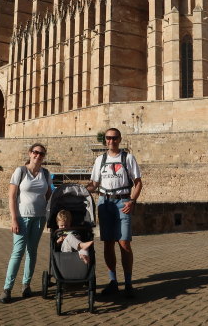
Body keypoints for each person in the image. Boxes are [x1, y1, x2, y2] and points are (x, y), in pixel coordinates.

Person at [87, 127, 142, 298]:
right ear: (105, 140)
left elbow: (138, 182)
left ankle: (128, 282)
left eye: (114, 138)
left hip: (123, 202)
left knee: (124, 243)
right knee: (108, 243)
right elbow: (94, 184)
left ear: (120, 139)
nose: (111, 141)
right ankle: (112, 282)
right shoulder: (100, 160)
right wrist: (80, 191)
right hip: (105, 203)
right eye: (108, 138)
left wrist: (132, 201)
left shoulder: (128, 158)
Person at [0, 143, 52, 304]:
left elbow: (49, 193)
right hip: (22, 218)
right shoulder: (20, 171)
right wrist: (14, 218)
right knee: (18, 252)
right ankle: (7, 289)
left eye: (41, 154)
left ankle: (26, 285)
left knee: (32, 252)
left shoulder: (46, 173)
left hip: (39, 218)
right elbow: (12, 197)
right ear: (30, 153)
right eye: (35, 152)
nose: (38, 156)